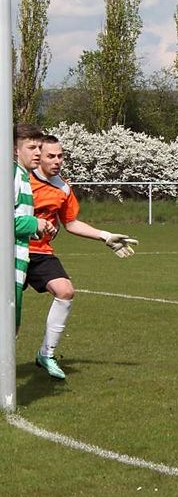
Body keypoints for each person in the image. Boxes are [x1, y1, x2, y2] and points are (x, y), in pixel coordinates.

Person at [27, 135, 139, 379]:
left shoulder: (63, 187)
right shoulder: (20, 179)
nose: (57, 161)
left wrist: (105, 236)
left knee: (65, 291)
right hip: (12, 251)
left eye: (60, 156)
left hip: (40, 253)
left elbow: (71, 223)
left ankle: (46, 354)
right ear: (37, 156)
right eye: (50, 156)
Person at [13, 124, 56, 337]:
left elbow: (17, 218)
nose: (38, 152)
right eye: (31, 148)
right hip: (7, 265)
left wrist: (39, 227)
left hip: (17, 262)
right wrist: (34, 224)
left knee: (11, 327)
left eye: (39, 147)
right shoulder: (12, 174)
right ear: (15, 149)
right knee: (8, 327)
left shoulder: (23, 176)